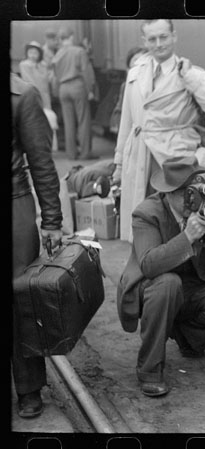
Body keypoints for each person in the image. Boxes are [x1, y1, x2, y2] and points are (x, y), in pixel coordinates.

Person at [116, 156, 205, 397]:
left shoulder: (204, 204)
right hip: (153, 285)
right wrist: (187, 237)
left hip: (193, 283)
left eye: (195, 193)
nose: (192, 201)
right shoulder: (146, 213)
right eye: (186, 195)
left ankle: (186, 339)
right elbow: (149, 265)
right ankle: (149, 370)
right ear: (168, 193)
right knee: (168, 284)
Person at [112, 19, 205, 243]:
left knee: (180, 223)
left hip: (175, 157)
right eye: (152, 39)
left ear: (174, 36)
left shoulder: (191, 72)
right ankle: (146, 270)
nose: (159, 43)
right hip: (140, 155)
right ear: (144, 41)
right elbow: (127, 121)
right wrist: (118, 163)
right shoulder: (136, 73)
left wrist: (190, 78)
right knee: (144, 220)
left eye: (163, 37)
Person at [11, 72, 64, 417]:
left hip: (13, 202)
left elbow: (41, 161)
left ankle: (29, 388)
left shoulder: (21, 94)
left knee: (17, 299)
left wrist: (52, 221)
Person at [51, 26, 98, 161]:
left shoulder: (57, 54)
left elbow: (54, 77)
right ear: (71, 37)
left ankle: (71, 154)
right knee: (83, 120)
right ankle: (85, 154)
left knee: (68, 122)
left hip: (63, 88)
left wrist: (56, 91)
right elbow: (86, 72)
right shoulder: (79, 51)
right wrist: (90, 90)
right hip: (77, 86)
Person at [19, 41, 59, 151]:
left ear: (39, 54)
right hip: (32, 97)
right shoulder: (24, 65)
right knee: (34, 121)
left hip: (45, 97)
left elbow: (46, 80)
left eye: (35, 52)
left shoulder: (43, 65)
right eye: (30, 52)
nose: (32, 55)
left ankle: (48, 146)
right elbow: (29, 81)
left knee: (48, 121)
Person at [109, 46, 146, 135]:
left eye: (143, 59)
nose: (140, 63)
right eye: (136, 60)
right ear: (128, 68)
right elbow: (120, 108)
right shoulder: (126, 86)